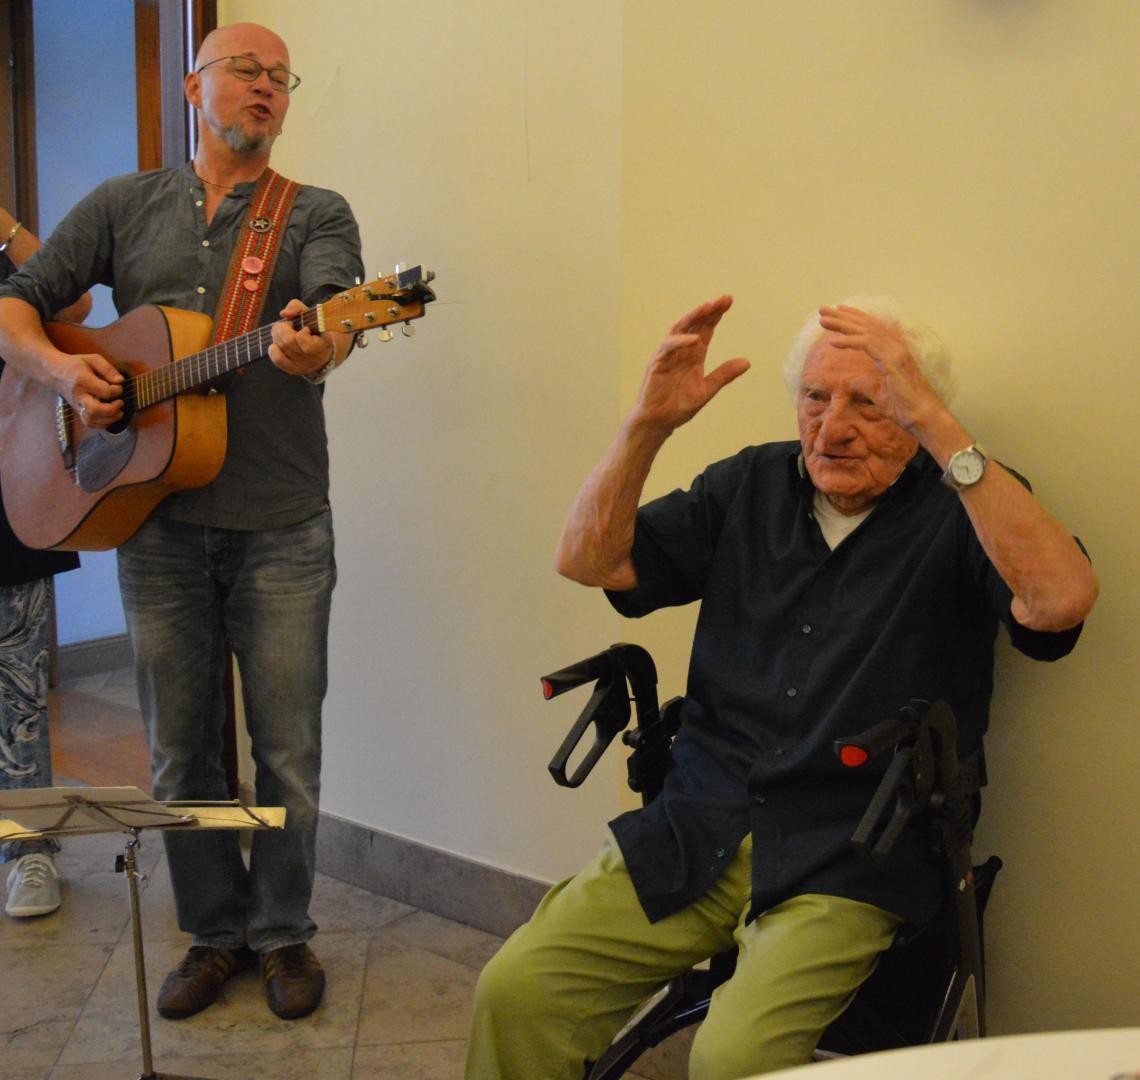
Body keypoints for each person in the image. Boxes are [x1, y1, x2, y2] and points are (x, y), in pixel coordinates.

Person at [466, 294, 1098, 1079]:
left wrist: (943, 434)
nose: (832, 428)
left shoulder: (965, 505)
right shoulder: (750, 484)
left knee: (733, 1056)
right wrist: (647, 426)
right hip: (701, 819)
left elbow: (1060, 602)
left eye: (870, 403)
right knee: (517, 988)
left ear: (919, 415)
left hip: (852, 850)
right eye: (815, 398)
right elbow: (590, 561)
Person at [0, 24, 363, 1021]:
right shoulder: (125, 204)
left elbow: (334, 313)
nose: (266, 89)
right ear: (195, 86)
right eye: (246, 70)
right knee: (181, 753)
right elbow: (18, 304)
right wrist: (63, 371)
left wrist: (316, 346)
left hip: (283, 523)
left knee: (287, 745)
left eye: (281, 79)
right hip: (151, 521)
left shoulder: (315, 212)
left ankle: (284, 934)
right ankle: (214, 933)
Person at [0, 207, 92, 919]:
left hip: (10, 491)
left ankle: (27, 852)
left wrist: (2, 225)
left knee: (18, 695)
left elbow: (76, 302)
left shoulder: (10, 251)